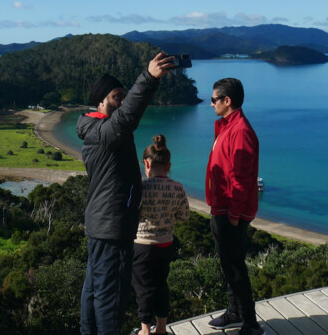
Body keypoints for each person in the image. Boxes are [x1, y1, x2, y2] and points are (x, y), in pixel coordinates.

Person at [77, 52, 176, 335]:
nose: (121, 101)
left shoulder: (96, 130)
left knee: (94, 289)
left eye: (123, 96)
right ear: (100, 101)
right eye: (116, 96)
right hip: (113, 226)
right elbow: (126, 119)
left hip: (102, 224)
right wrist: (149, 78)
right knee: (112, 296)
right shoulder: (105, 131)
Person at [205, 77, 265, 335]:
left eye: (214, 99)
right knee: (229, 264)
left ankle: (250, 324)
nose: (211, 104)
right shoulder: (229, 126)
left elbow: (240, 179)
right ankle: (234, 313)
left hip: (230, 212)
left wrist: (233, 214)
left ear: (226, 101)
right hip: (223, 208)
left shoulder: (239, 132)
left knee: (235, 267)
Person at [130, 134, 191, 335]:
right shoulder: (178, 188)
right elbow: (184, 217)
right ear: (169, 165)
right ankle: (162, 328)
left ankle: (145, 330)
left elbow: (129, 214)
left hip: (142, 245)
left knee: (143, 287)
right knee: (161, 285)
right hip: (166, 244)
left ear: (146, 163)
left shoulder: (140, 187)